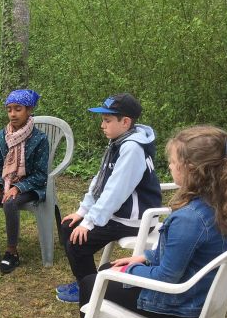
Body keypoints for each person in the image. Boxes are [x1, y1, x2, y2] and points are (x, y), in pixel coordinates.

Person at [56, 125, 227, 318]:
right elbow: (183, 254)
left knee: (91, 283)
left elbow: (167, 277)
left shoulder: (189, 219)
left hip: (179, 304)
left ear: (192, 170)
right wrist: (144, 258)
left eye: (173, 162)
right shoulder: (214, 205)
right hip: (199, 297)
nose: (169, 167)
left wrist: (131, 271)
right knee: (106, 272)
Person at [56, 93, 162, 302]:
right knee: (68, 226)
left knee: (77, 243)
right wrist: (82, 212)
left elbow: (115, 192)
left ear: (125, 122)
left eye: (107, 120)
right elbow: (100, 181)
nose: (102, 126)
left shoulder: (131, 148)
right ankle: (86, 282)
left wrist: (89, 222)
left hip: (134, 220)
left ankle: (90, 290)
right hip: (120, 215)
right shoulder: (119, 142)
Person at [0, 89, 50, 274]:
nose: (12, 114)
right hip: (6, 181)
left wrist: (18, 188)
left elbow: (41, 175)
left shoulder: (40, 139)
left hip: (30, 185)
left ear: (29, 110)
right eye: (9, 109)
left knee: (10, 203)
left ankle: (12, 252)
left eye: (18, 109)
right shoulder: (1, 136)